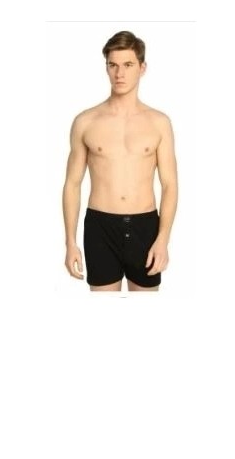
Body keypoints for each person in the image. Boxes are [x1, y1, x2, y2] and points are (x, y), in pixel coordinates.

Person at [62, 30, 178, 292]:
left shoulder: (159, 123)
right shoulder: (86, 121)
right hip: (100, 227)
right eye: (113, 65)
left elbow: (170, 184)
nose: (120, 73)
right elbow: (72, 183)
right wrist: (70, 242)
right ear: (106, 68)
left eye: (128, 65)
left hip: (145, 227)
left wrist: (163, 239)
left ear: (142, 68)